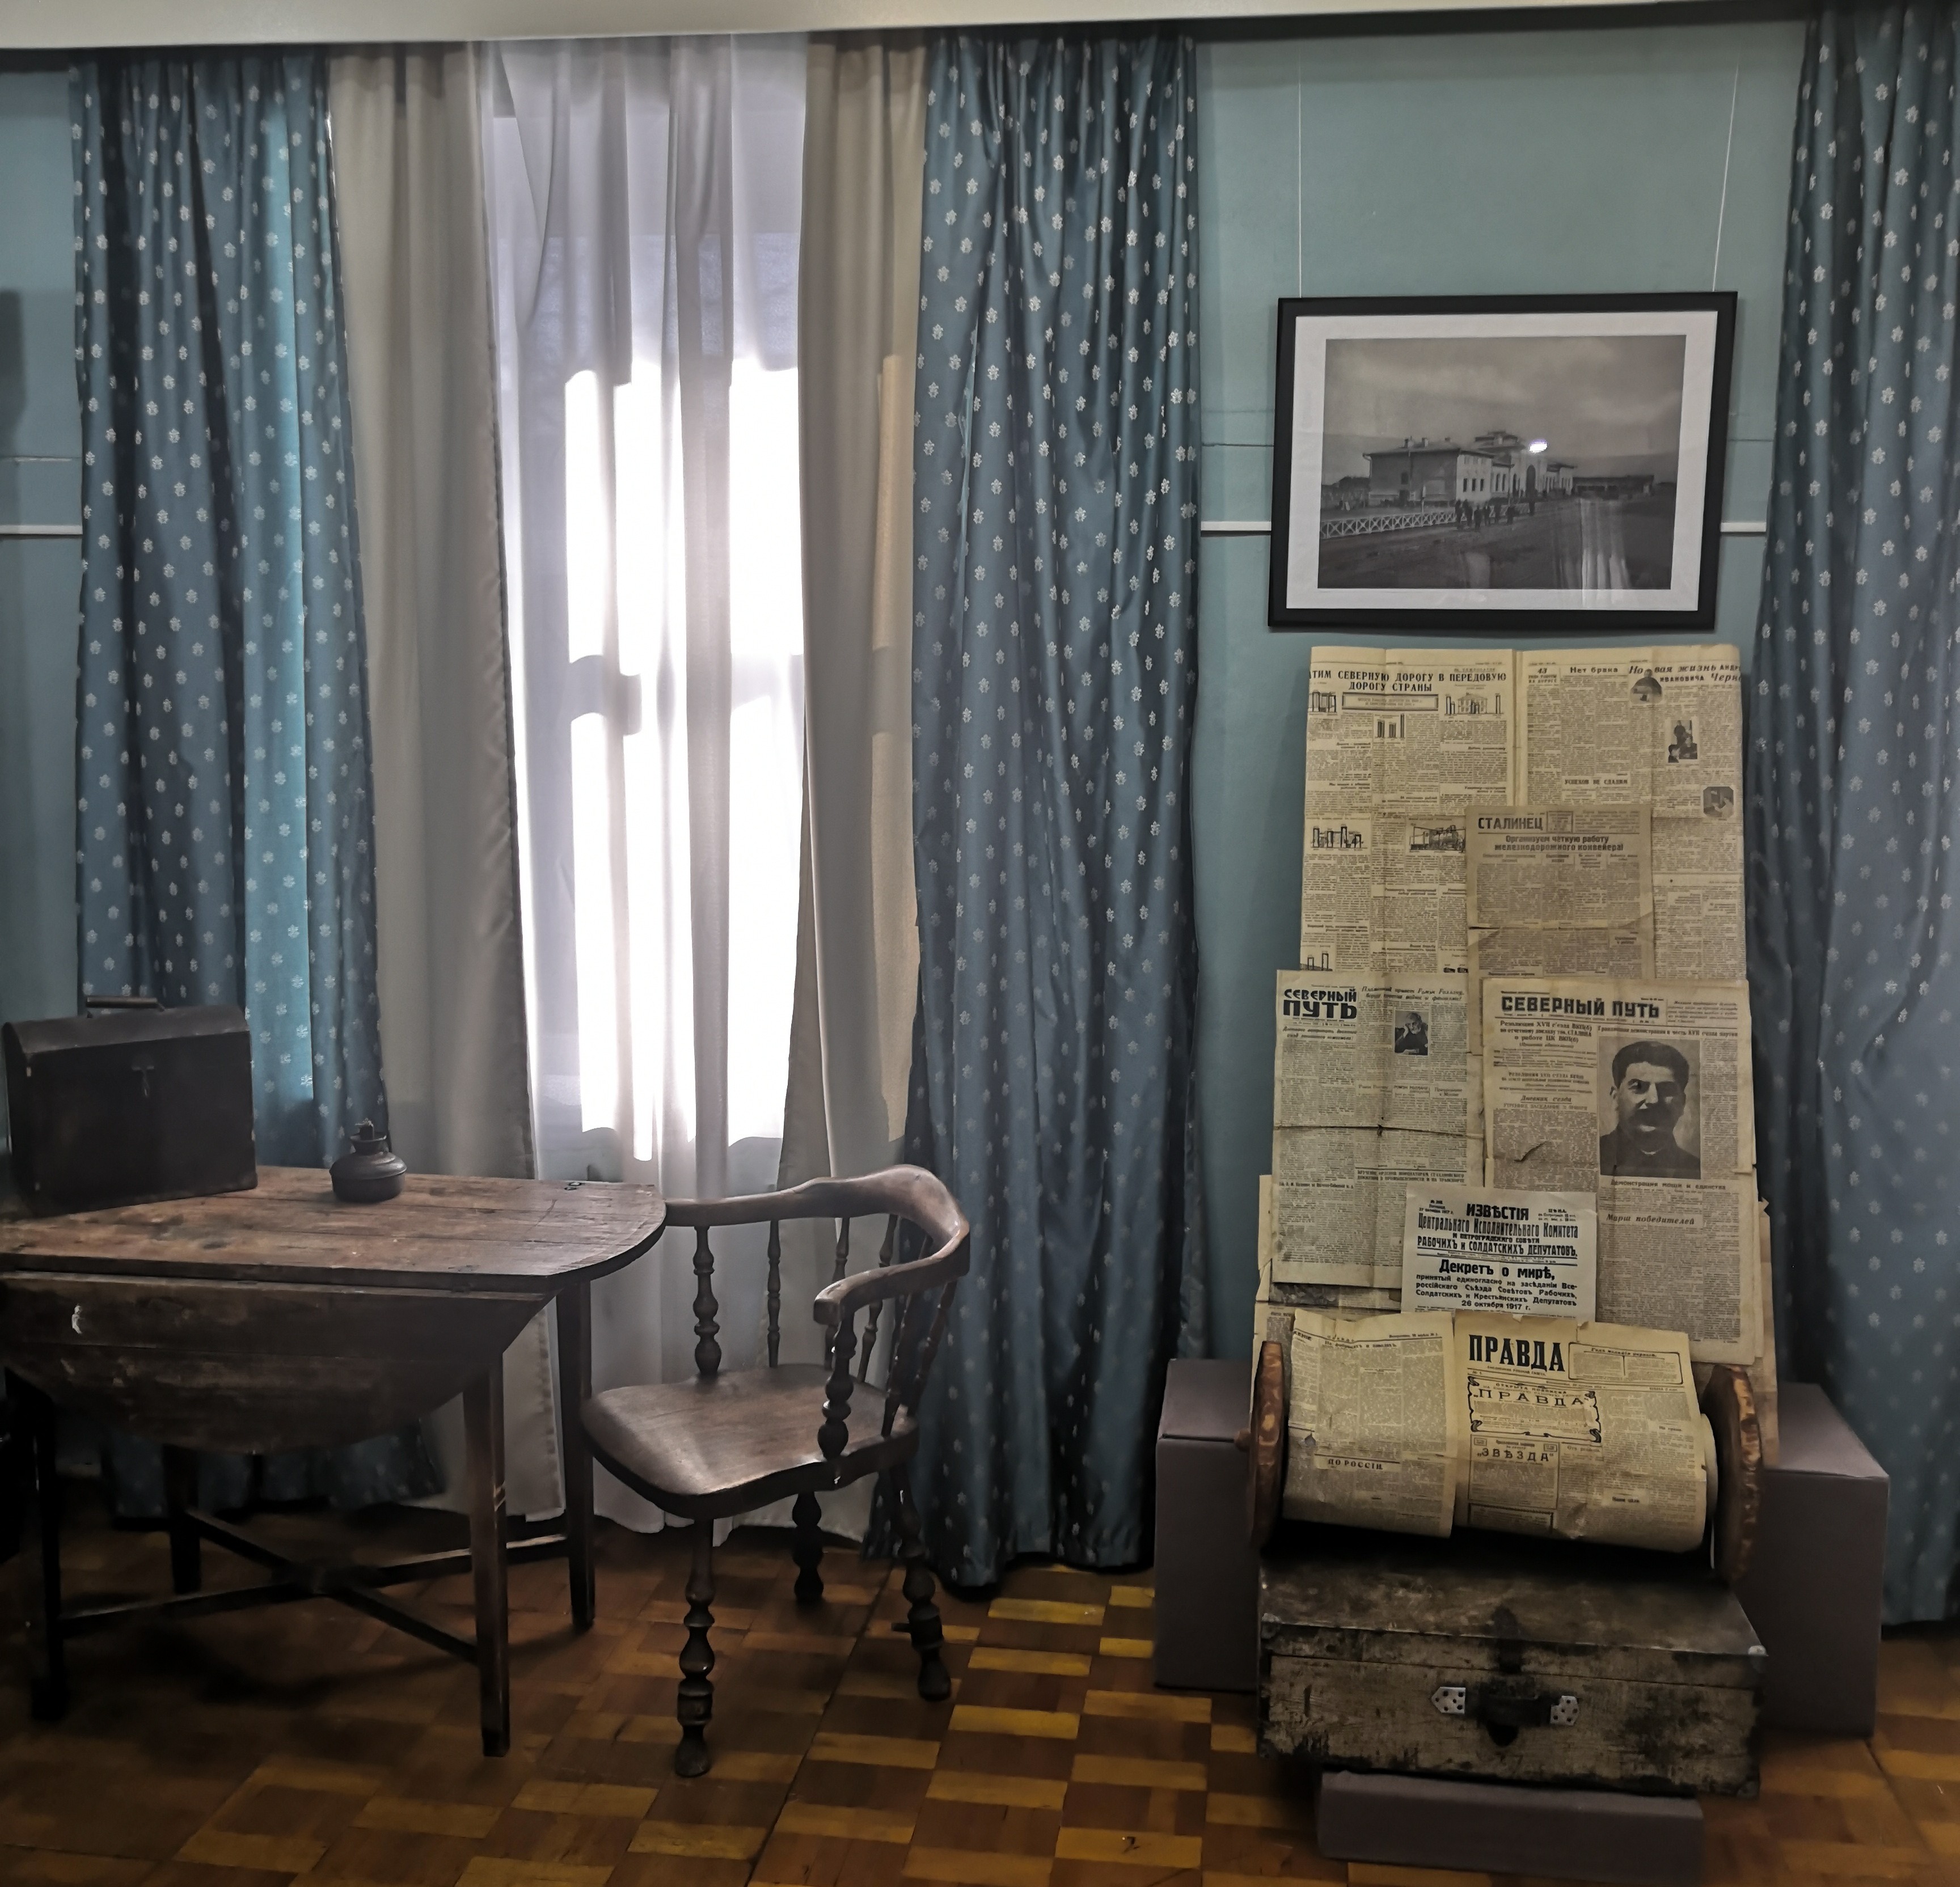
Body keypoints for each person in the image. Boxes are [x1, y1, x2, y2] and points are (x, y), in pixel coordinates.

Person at [1598, 1042, 1700, 1179]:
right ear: (1616, 1098)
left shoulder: (1696, 1168)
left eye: (1667, 1089)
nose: (1653, 1100)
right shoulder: (1594, 1153)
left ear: (1682, 1103)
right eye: (1639, 1087)